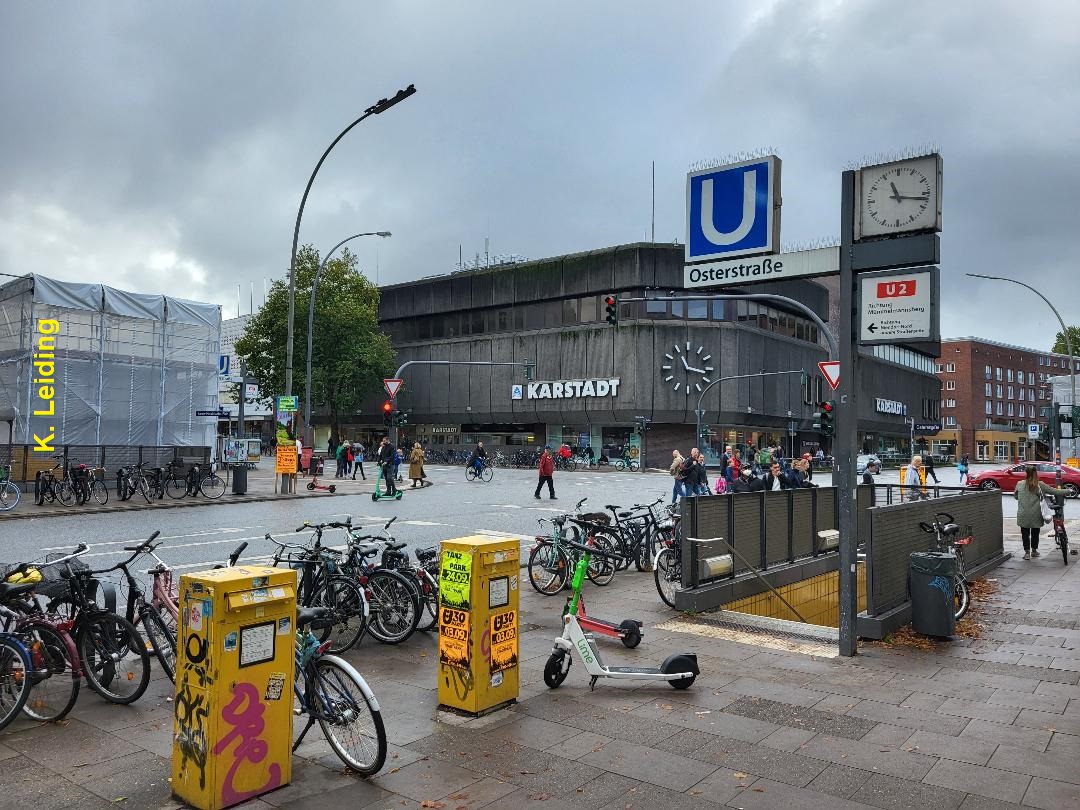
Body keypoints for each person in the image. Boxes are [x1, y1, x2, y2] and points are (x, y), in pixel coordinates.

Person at [1015, 466, 1069, 560]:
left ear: (1026, 474)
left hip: (1023, 514)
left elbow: (1016, 496)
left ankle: (1027, 553)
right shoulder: (1040, 484)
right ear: (1036, 474)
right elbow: (1054, 491)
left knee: (1025, 534)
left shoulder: (1019, 484)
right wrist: (1068, 491)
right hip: (1036, 514)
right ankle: (1034, 551)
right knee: (1035, 533)